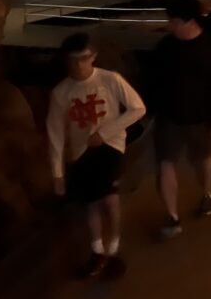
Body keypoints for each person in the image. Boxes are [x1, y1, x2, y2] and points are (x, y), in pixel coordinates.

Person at [47, 33, 146, 279]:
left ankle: (113, 249)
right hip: (80, 151)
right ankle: (97, 250)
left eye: (83, 59)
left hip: (110, 146)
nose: (79, 65)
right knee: (91, 202)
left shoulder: (110, 80)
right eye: (73, 60)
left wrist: (106, 132)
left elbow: (138, 108)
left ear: (93, 57)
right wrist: (57, 173)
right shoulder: (62, 92)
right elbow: (56, 134)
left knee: (109, 198)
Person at [152, 0, 211, 238]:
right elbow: (152, 81)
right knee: (166, 164)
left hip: (201, 118)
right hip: (168, 117)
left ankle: (207, 194)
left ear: (187, 22)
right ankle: (172, 217)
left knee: (202, 160)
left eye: (173, 21)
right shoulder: (164, 47)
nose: (169, 26)